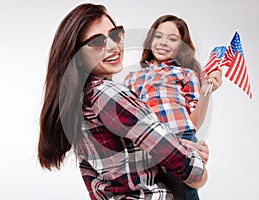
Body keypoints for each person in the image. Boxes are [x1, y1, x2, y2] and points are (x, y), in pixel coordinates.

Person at [37, 3, 209, 200]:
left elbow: (123, 161)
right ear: (78, 57)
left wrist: (181, 144)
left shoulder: (79, 100)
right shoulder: (109, 94)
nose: (113, 46)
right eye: (97, 41)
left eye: (115, 35)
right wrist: (196, 165)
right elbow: (193, 173)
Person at [123, 15, 222, 199]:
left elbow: (194, 122)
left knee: (183, 194)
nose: (163, 43)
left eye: (173, 39)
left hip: (179, 138)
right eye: (158, 36)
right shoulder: (132, 77)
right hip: (146, 144)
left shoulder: (186, 74)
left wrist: (206, 93)